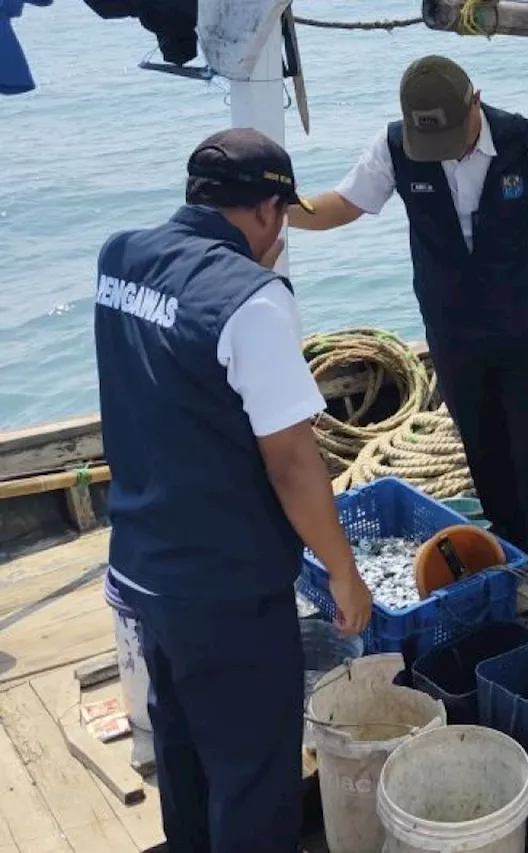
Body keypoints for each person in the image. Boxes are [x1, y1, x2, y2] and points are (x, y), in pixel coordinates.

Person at [94, 128, 373, 852]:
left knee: (183, 748)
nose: (280, 234)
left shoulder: (119, 257)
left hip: (141, 565)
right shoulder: (254, 300)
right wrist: (343, 571)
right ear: (268, 210)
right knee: (252, 771)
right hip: (223, 586)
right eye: (281, 217)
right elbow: (293, 464)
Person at [290, 55, 528, 618]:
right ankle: (509, 555)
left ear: (475, 103)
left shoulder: (525, 141)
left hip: (524, 326)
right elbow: (343, 205)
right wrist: (279, 207)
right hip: (452, 330)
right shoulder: (395, 146)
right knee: (483, 448)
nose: (444, 147)